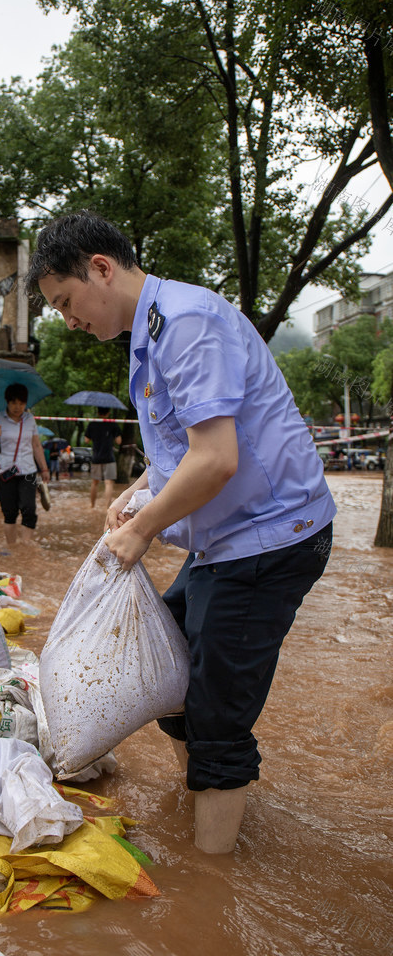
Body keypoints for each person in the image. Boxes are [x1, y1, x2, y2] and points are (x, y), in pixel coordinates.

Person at [26, 210, 335, 855]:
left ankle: (214, 887)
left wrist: (140, 532)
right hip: (224, 543)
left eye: (66, 301)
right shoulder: (148, 339)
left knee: (216, 715)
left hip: (269, 540)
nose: (68, 320)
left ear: (101, 270)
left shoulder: (186, 324)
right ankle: (211, 796)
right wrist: (137, 492)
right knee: (165, 671)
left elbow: (217, 458)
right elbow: (181, 452)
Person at [0, 383, 50, 547]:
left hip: (27, 471)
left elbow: (36, 445)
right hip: (4, 471)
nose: (17, 407)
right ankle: (12, 548)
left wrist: (44, 468)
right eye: (13, 403)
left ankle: (25, 548)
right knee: (9, 512)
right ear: (7, 402)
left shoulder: (30, 420)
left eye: (21, 403)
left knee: (29, 509)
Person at [85, 407, 122, 508]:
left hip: (96, 457)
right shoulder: (113, 424)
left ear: (98, 412)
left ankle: (92, 506)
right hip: (109, 458)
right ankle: (106, 508)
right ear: (109, 413)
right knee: (109, 483)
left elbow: (86, 440)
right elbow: (119, 441)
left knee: (94, 482)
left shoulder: (92, 424)